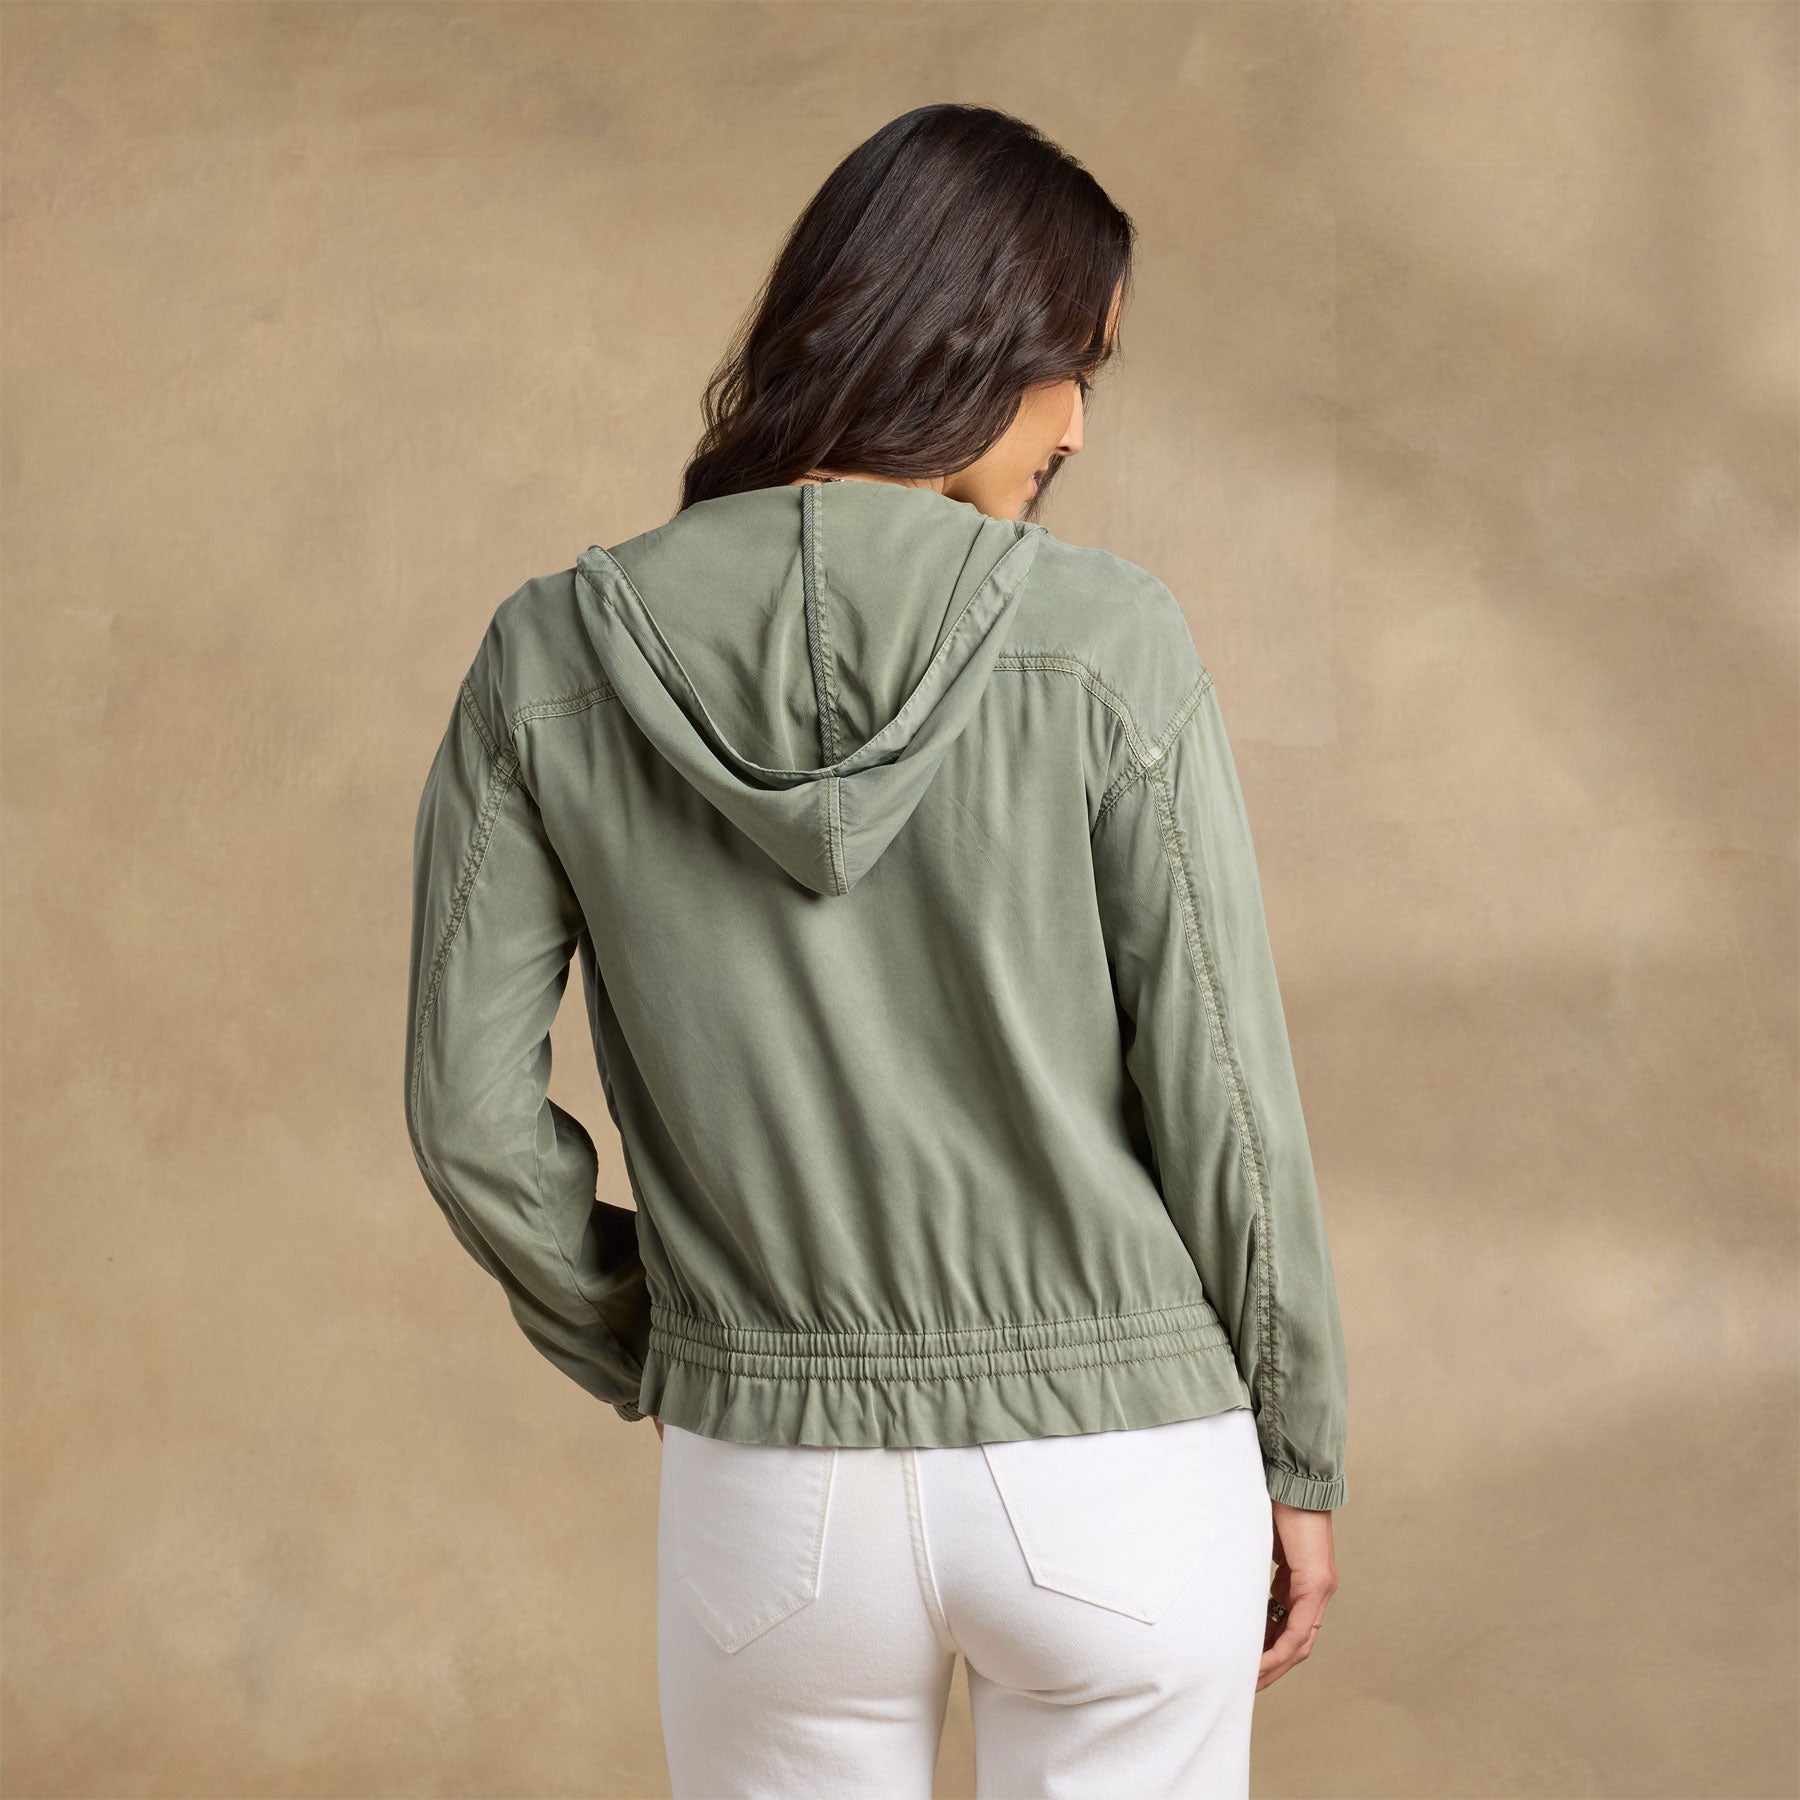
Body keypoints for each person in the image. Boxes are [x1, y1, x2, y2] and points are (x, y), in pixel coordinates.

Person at [403, 102, 1349, 1799]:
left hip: (777, 1492)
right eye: (1073, 367)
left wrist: (680, 1339)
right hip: (1122, 1467)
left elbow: (470, 1120)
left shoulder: (550, 658)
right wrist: (1297, 1441)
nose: (1076, 425)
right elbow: (1226, 1096)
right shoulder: (1107, 639)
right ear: (966, 339)